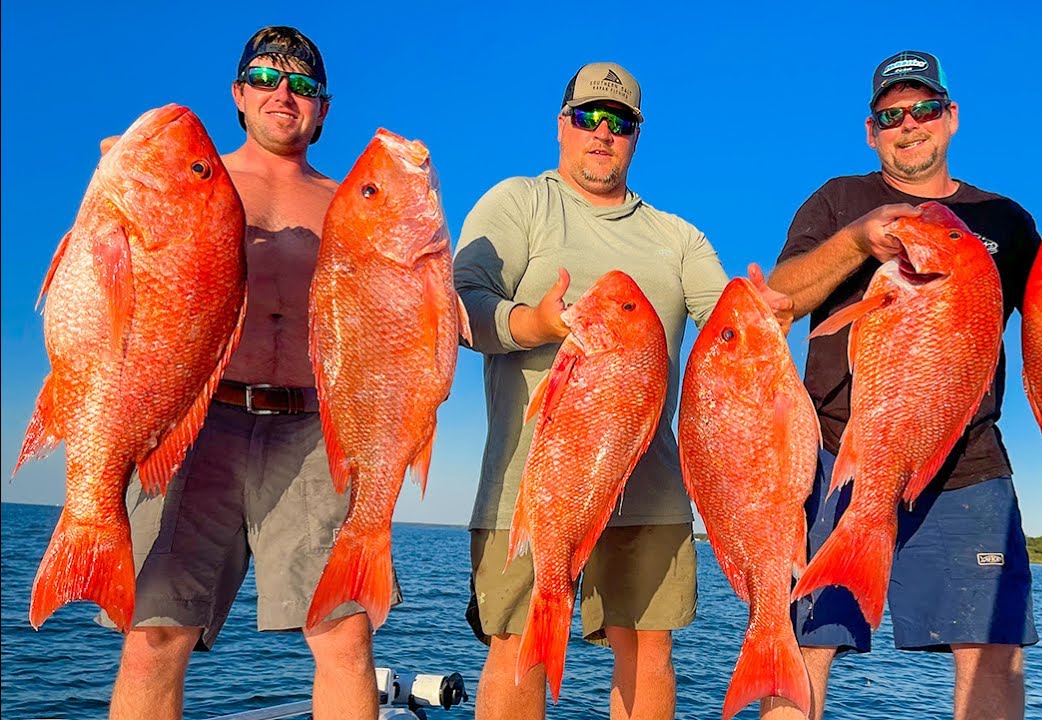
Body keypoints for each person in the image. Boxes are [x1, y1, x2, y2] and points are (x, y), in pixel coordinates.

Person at [453, 62, 792, 720]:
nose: (603, 133)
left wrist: (778, 302)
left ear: (637, 135)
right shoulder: (518, 203)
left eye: (621, 122)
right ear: (562, 124)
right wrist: (537, 324)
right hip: (533, 482)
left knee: (646, 648)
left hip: (653, 483)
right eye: (589, 117)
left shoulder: (678, 236)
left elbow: (731, 323)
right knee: (517, 643)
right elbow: (460, 312)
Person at [97, 26, 398, 720]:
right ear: (239, 95)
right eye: (266, 78)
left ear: (324, 109)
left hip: (316, 427)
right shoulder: (185, 178)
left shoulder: (354, 202)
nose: (284, 94)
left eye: (304, 84)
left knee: (345, 636)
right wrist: (118, 186)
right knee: (156, 636)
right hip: (196, 425)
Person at [761, 51, 1042, 720]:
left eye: (923, 109)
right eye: (891, 115)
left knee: (995, 653)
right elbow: (777, 299)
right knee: (800, 642)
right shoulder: (838, 201)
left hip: (968, 463)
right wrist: (858, 242)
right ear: (871, 131)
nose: (908, 125)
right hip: (836, 453)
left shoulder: (1004, 219)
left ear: (951, 118)